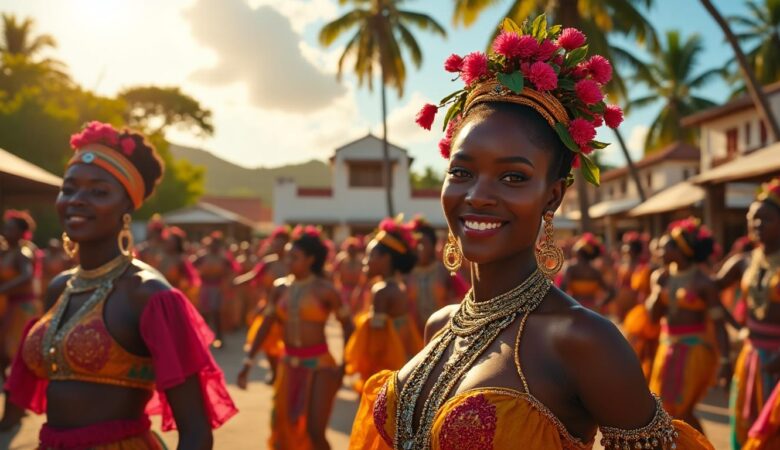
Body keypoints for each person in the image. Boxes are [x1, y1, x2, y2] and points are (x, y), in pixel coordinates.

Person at [349, 17, 711, 450]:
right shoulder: (440, 325)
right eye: (461, 172)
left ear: (552, 197)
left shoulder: (582, 340)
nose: (478, 196)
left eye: (513, 177)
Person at [0, 121, 236, 448]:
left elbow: (196, 433)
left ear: (127, 205)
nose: (77, 200)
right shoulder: (59, 287)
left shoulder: (148, 294)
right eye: (69, 189)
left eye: (98, 192)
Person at [238, 225, 353, 450]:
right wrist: (248, 361)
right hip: (288, 365)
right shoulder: (280, 288)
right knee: (283, 430)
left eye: (294, 257)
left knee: (315, 432)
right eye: (287, 256)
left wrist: (343, 366)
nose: (288, 261)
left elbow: (348, 327)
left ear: (310, 259)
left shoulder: (326, 290)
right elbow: (266, 325)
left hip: (320, 366)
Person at [646, 218, 730, 432]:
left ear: (681, 250)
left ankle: (699, 445)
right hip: (667, 348)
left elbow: (719, 323)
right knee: (664, 410)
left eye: (665, 247)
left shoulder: (704, 282)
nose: (659, 252)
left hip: (695, 351)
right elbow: (653, 317)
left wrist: (725, 360)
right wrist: (657, 289)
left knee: (682, 410)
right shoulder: (661, 277)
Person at [714, 177, 780, 449]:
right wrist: (737, 327)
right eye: (753, 219)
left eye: (766, 219)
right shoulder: (743, 262)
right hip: (752, 355)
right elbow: (710, 290)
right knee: (747, 427)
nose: (757, 225)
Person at [344, 219, 423, 393]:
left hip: (384, 368)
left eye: (369, 256)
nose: (364, 261)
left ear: (385, 259)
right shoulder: (398, 286)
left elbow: (376, 344)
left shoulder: (381, 291)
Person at [236, 226, 291, 384]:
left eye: (281, 243)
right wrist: (238, 281)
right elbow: (254, 275)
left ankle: (284, 375)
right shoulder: (268, 263)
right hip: (268, 308)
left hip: (287, 311)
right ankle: (274, 372)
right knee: (266, 343)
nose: (277, 246)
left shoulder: (292, 263)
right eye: (275, 242)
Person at [406, 216, 468, 334]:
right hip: (414, 336)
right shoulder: (407, 274)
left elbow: (462, 299)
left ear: (433, 244)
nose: (420, 248)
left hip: (443, 331)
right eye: (416, 243)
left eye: (423, 243)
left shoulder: (445, 271)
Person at [0, 210, 41, 373]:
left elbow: (27, 275)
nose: (6, 232)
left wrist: (3, 289)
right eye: (5, 228)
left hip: (21, 307)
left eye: (11, 229)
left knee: (15, 348)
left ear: (20, 233)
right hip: (8, 304)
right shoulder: (7, 251)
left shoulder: (24, 252)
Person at [620, 232, 660, 380]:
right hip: (633, 308)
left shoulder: (649, 269)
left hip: (645, 311)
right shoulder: (641, 268)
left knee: (645, 347)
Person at [194, 231, 239, 348]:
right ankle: (203, 337)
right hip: (205, 287)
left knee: (216, 313)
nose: (214, 246)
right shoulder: (202, 256)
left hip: (218, 288)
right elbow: (191, 266)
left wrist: (227, 283)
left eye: (217, 244)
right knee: (205, 314)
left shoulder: (223, 258)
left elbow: (232, 270)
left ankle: (219, 338)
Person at [560, 233, 614, 312]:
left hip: (576, 308)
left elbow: (563, 288)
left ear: (579, 255)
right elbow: (611, 291)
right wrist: (601, 304)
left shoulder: (571, 269)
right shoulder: (595, 271)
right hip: (591, 310)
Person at [159, 226, 201, 303]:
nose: (169, 244)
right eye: (168, 241)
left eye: (172, 242)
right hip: (161, 293)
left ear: (177, 244)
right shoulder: (161, 258)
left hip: (176, 295)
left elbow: (191, 279)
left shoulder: (181, 259)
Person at [333, 236, 367, 316]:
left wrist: (359, 290)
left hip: (357, 290)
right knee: (344, 313)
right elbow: (335, 274)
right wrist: (337, 289)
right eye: (350, 248)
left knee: (357, 314)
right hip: (344, 290)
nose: (351, 251)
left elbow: (364, 277)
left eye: (353, 248)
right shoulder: (341, 259)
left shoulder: (361, 261)